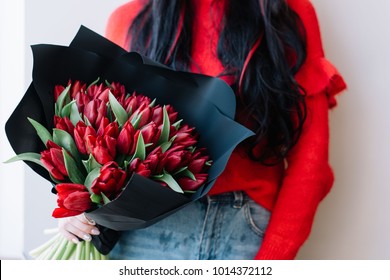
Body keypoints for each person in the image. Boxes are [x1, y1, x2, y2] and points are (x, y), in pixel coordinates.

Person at [58, 0, 346, 260]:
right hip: (142, 232)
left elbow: (311, 159)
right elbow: (97, 135)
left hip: (244, 229)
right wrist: (72, 206)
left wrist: (274, 258)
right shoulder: (130, 18)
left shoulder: (284, 14)